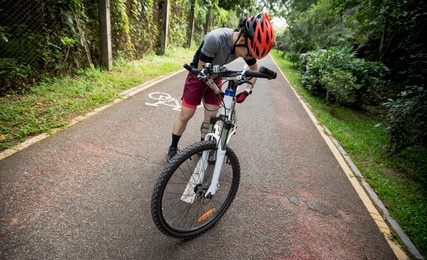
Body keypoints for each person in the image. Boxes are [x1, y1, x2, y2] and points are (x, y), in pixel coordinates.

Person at [167, 12, 275, 162]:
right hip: (199, 74)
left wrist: (247, 90)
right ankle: (173, 147)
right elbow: (203, 70)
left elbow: (254, 70)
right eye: (249, 52)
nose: (249, 56)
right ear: (242, 40)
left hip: (216, 76)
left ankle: (202, 147)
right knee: (186, 114)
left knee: (210, 118)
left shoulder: (244, 46)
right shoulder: (215, 39)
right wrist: (218, 92)